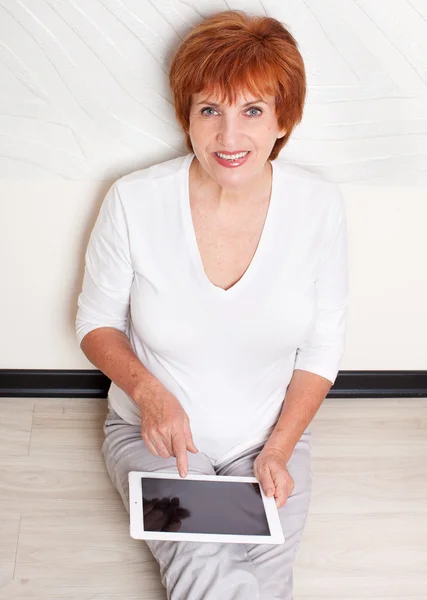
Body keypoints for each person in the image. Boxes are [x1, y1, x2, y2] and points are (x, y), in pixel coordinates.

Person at [75, 9, 349, 600]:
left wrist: (277, 448)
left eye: (252, 110)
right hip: (159, 443)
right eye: (210, 111)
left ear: (283, 120)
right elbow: (95, 322)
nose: (230, 138)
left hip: (271, 441)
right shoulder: (134, 200)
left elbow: (323, 347)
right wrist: (150, 395)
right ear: (188, 118)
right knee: (204, 563)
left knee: (266, 576)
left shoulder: (319, 206)